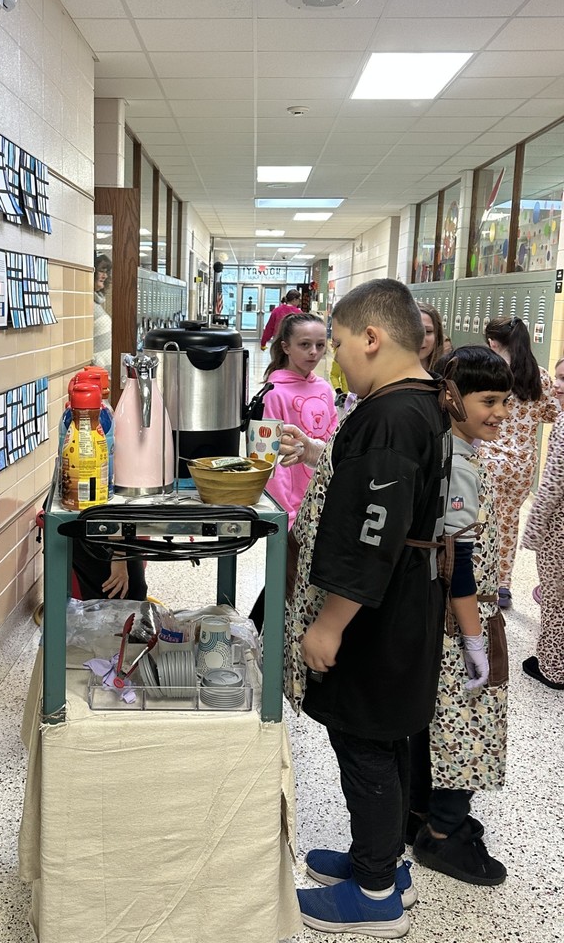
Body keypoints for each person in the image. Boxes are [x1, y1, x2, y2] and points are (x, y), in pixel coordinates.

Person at [285, 279, 453, 938]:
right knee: (388, 738)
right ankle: (379, 861)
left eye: (340, 346)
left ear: (373, 338)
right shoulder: (420, 404)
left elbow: (371, 533)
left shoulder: (389, 418)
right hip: (407, 598)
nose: (336, 362)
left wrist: (329, 625)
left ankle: (376, 894)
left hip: (378, 613)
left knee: (366, 742)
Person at [409, 345, 512, 887]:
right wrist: (475, 640)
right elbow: (461, 566)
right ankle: (445, 835)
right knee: (468, 729)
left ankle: (424, 814)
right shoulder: (459, 462)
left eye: (506, 400)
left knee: (438, 725)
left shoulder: (452, 445)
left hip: (447, 618)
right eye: (488, 400)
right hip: (460, 620)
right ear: (452, 397)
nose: (500, 412)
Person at [480, 316, 559, 607]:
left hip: (490, 459)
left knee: (484, 520)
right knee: (510, 521)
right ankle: (503, 586)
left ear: (493, 342)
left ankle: (481, 579)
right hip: (523, 464)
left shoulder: (492, 373)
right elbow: (552, 413)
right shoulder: (539, 376)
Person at [261, 313, 337, 526]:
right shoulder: (274, 393)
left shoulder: (323, 387)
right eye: (304, 344)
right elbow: (271, 456)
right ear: (286, 347)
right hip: (289, 506)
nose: (314, 352)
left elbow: (332, 441)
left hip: (322, 496)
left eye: (320, 345)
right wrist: (283, 510)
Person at [520, 355, 564, 689]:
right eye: (558, 378)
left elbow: (551, 484)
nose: (558, 387)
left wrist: (533, 531)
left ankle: (553, 667)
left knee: (555, 599)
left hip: (559, 532)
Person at [92, 253, 112, 373]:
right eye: (101, 271)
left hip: (105, 372)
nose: (105, 276)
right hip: (97, 371)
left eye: (106, 272)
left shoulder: (97, 301)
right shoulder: (85, 301)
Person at [418, 301, 445, 372]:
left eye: (428, 331)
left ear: (437, 336)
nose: (420, 338)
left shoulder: (447, 373)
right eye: (413, 332)